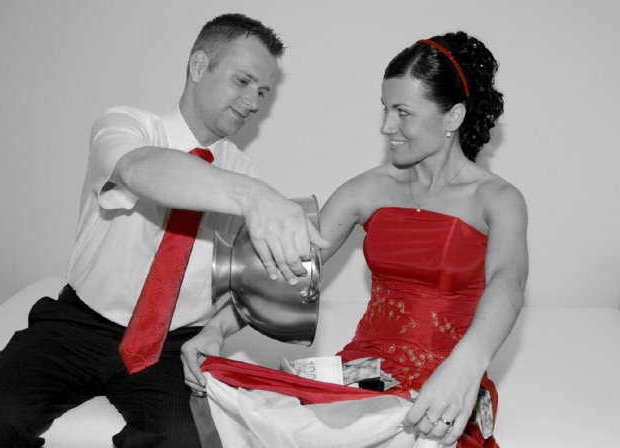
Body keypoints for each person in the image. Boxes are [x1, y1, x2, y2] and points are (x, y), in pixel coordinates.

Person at [0, 13, 328, 448]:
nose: (253, 102)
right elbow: (138, 170)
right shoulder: (127, 126)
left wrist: (216, 331)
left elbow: (249, 284)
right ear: (198, 66)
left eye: (262, 91)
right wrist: (252, 197)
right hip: (77, 327)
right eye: (243, 81)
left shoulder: (245, 173)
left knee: (182, 440)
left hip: (170, 346)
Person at [183, 31, 527, 448]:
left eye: (402, 112)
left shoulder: (498, 199)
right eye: (385, 109)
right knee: (269, 415)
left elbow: (508, 282)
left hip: (450, 378)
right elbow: (290, 268)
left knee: (414, 431)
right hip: (363, 373)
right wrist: (216, 329)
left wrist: (466, 367)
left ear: (452, 117)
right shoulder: (365, 189)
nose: (386, 126)